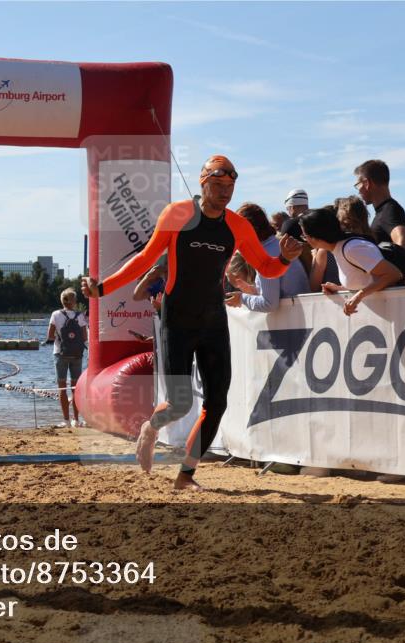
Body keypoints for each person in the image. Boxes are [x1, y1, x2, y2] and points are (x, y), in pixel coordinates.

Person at [81, 155, 303, 490]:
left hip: (213, 320)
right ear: (203, 183)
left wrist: (284, 258)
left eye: (230, 187)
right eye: (218, 184)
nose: (224, 192)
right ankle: (151, 427)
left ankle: (186, 475)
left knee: (217, 402)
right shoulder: (178, 214)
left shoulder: (238, 226)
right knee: (180, 403)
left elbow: (267, 268)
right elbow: (145, 258)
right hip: (177, 320)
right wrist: (102, 289)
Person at [300, 207, 402, 316]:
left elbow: (394, 274)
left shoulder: (351, 248)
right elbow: (366, 281)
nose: (305, 240)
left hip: (396, 311)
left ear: (315, 237)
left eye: (304, 236)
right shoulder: (339, 248)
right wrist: (339, 289)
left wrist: (358, 297)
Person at [225, 202, 309, 312]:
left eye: (238, 229)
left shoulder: (267, 252)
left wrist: (242, 299)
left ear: (250, 229)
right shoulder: (274, 245)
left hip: (294, 317)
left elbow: (269, 304)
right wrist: (253, 291)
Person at [45, 288, 88, 427]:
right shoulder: (80, 316)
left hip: (60, 354)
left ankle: (66, 421)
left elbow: (50, 336)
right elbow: (85, 337)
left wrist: (60, 339)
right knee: (76, 388)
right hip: (77, 354)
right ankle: (76, 420)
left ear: (62, 301)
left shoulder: (55, 314)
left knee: (62, 388)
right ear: (73, 301)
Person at [353, 159, 405, 252]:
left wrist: (390, 262)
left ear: (367, 183)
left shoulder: (388, 211)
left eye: (358, 185)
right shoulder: (387, 209)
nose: (358, 190)